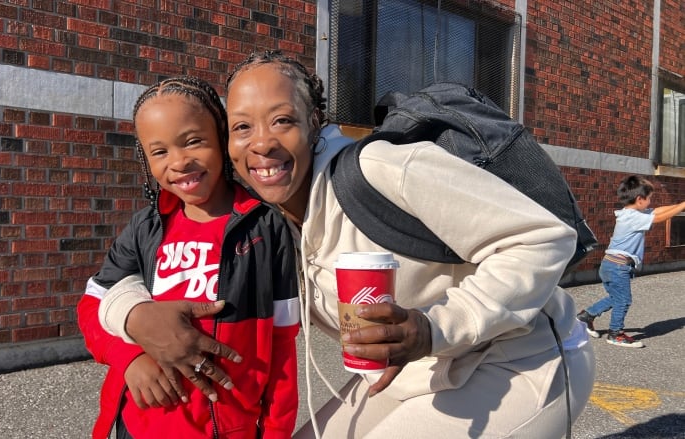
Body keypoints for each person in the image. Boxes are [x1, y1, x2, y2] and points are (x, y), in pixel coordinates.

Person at [98, 51, 596, 438]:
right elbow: (113, 284)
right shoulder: (264, 215)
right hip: (406, 377)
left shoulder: (381, 168)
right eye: (242, 127)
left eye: (282, 120)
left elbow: (543, 237)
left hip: (520, 365)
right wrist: (134, 317)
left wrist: (435, 328)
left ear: (315, 121)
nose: (262, 143)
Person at [76, 76, 300, 439]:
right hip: (138, 425)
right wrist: (128, 355)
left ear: (221, 139)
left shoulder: (265, 226)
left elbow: (283, 346)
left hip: (226, 429)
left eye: (193, 141)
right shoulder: (145, 227)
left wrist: (275, 433)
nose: (179, 162)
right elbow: (91, 307)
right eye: (159, 151)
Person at [577, 175, 685, 348]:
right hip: (617, 266)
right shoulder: (633, 217)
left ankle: (585, 317)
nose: (651, 202)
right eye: (649, 198)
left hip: (611, 265)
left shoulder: (631, 213)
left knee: (617, 297)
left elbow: (658, 211)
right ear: (640, 199)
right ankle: (615, 334)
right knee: (624, 300)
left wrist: (679, 205)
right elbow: (658, 218)